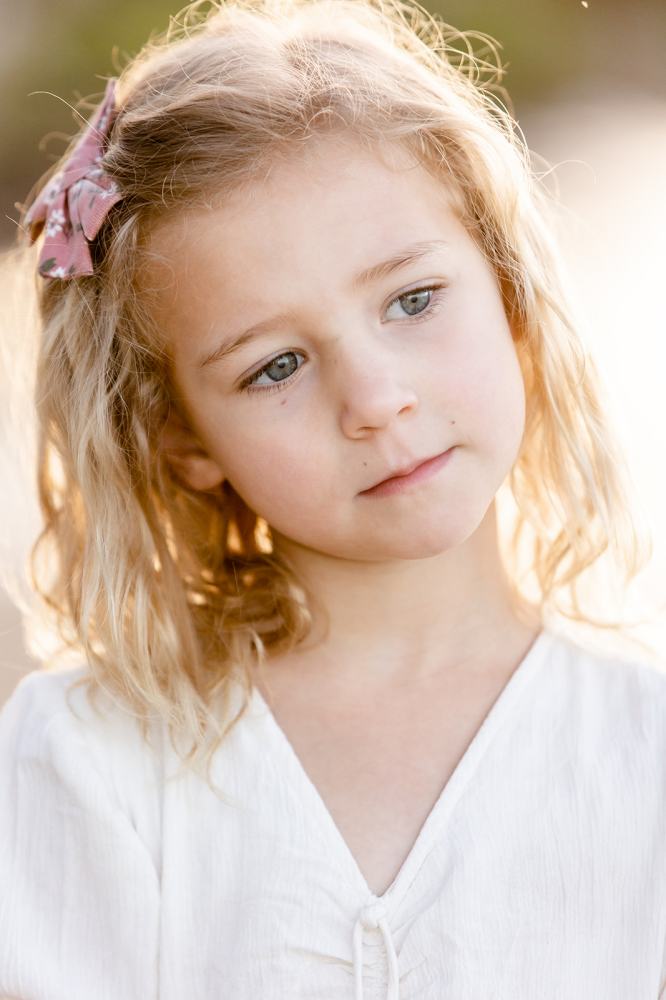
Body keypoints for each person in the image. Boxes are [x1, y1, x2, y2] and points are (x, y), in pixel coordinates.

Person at [0, 0, 664, 996]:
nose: (375, 400)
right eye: (275, 366)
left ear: (510, 295)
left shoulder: (643, 751)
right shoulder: (90, 757)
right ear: (183, 439)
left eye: (412, 300)